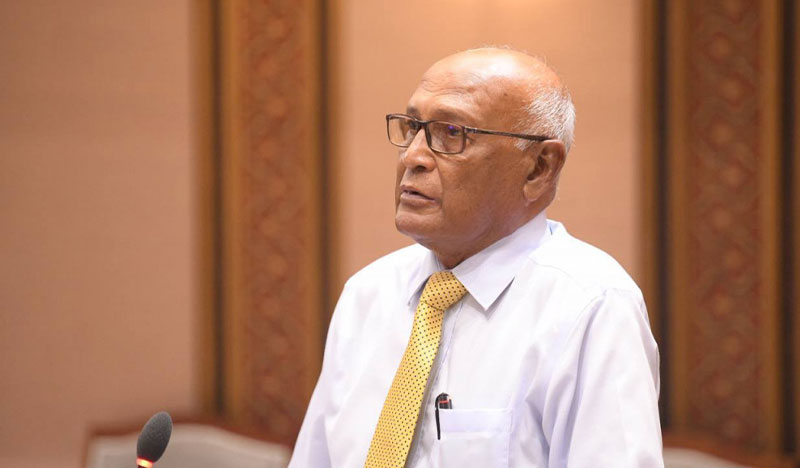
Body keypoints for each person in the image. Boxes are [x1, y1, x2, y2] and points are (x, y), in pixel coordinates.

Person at [288, 47, 663, 468]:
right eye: (412, 127)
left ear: (539, 168)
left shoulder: (591, 307)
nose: (413, 156)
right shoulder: (368, 295)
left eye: (452, 133)